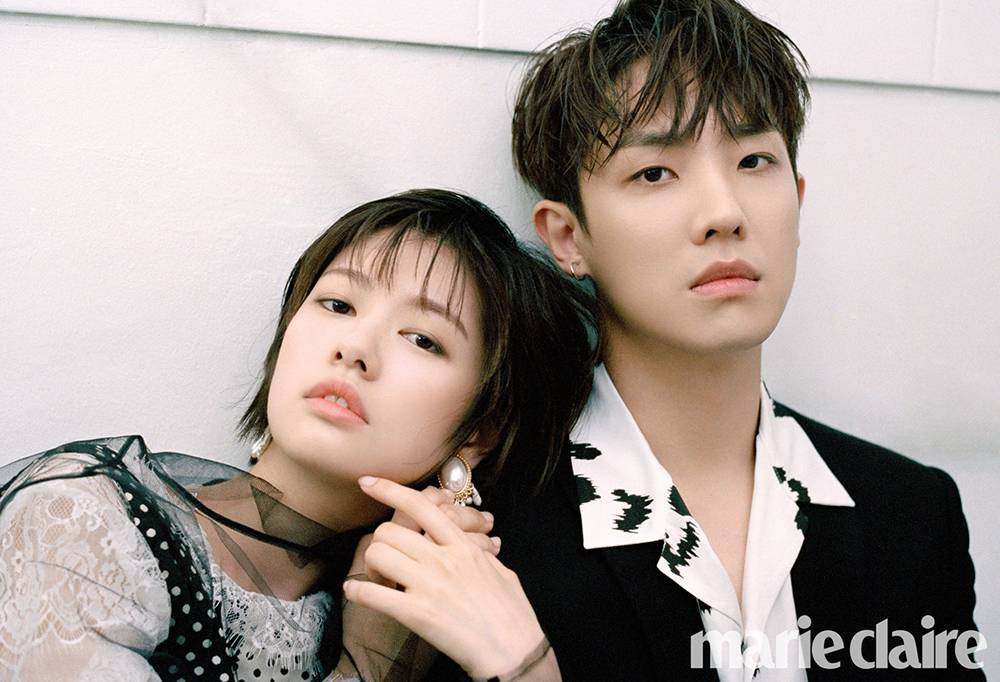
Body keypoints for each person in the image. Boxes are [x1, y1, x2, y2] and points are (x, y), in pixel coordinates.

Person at [428, 1, 985, 679]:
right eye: (654, 173)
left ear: (798, 200)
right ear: (568, 238)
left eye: (753, 160)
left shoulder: (911, 514)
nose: (725, 213)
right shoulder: (482, 530)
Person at [0, 189, 595, 681]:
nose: (354, 348)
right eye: (337, 304)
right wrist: (366, 670)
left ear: (480, 431)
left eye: (422, 339)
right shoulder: (85, 525)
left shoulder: (426, 619)